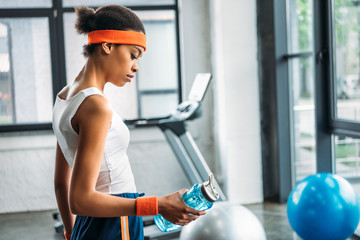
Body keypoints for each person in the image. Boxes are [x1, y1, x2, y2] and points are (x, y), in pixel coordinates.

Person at [52, 5, 204, 240]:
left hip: (89, 223)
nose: (136, 66)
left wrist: (71, 231)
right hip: (115, 221)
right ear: (107, 45)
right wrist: (157, 205)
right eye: (133, 54)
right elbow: (80, 199)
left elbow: (62, 183)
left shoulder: (64, 97)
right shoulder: (96, 105)